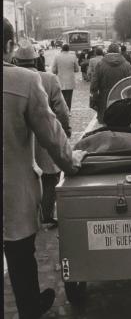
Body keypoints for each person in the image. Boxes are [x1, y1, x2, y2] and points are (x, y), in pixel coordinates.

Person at [3, 18, 86, 319]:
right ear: (10, 46)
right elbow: (52, 134)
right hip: (12, 190)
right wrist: (71, 162)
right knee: (21, 253)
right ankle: (29, 309)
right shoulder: (23, 81)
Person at [14, 41, 72, 229]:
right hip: (46, 137)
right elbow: (61, 110)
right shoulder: (49, 79)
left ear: (16, 60)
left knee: (25, 178)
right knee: (50, 177)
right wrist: (65, 130)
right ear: (36, 59)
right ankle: (46, 216)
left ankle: (29, 216)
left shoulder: (12, 79)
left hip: (22, 139)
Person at [90, 42, 131, 124]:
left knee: (106, 128)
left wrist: (94, 101)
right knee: (121, 126)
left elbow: (94, 86)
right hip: (122, 101)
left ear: (108, 51)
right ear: (119, 52)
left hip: (104, 101)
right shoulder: (127, 65)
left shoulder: (100, 64)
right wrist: (130, 101)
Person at [52, 43, 79, 111]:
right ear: (68, 49)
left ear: (62, 49)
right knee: (69, 97)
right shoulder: (73, 56)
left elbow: (54, 70)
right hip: (70, 80)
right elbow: (77, 69)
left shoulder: (57, 57)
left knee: (61, 97)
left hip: (60, 80)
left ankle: (63, 110)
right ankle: (68, 110)